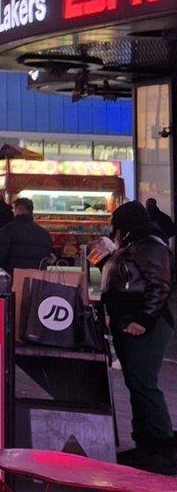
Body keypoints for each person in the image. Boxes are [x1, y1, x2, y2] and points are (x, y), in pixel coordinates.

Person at [100, 201, 177, 475]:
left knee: (144, 383)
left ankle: (163, 448)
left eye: (116, 225)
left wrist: (143, 319)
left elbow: (159, 284)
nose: (114, 230)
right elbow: (125, 277)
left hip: (145, 324)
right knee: (135, 382)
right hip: (129, 320)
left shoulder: (149, 244)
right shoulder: (135, 243)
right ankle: (145, 443)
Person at [0, 196, 55, 273]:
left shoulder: (6, 231)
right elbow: (47, 259)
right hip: (36, 281)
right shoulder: (44, 234)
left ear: (18, 209)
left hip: (13, 279)